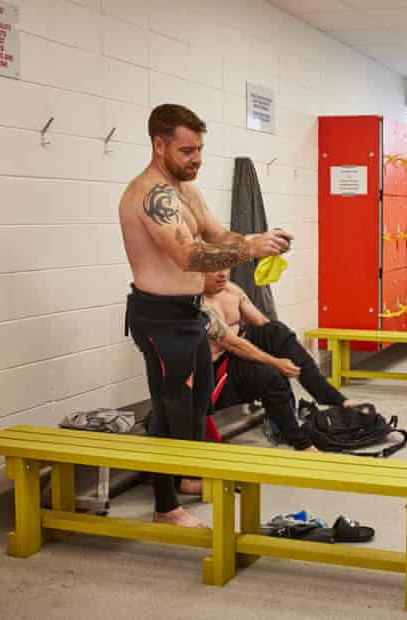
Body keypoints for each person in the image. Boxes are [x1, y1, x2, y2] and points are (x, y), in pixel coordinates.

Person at [120, 103, 293, 528]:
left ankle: (186, 480)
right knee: (169, 411)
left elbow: (218, 236)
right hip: (159, 320)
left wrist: (259, 240)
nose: (195, 159)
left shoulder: (184, 191)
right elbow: (188, 254)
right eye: (186, 151)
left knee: (197, 408)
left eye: (199, 149)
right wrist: (249, 250)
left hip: (189, 314)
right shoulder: (151, 195)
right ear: (158, 145)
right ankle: (166, 507)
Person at [201, 268, 359, 452]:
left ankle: (329, 395)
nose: (222, 274)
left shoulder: (230, 289)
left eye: (225, 266)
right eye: (213, 269)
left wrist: (288, 348)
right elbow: (233, 344)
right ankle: (301, 444)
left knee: (276, 331)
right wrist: (275, 362)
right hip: (219, 372)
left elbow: (263, 323)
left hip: (239, 348)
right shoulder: (199, 304)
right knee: (269, 375)